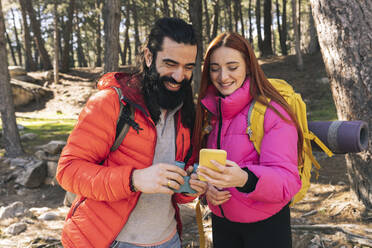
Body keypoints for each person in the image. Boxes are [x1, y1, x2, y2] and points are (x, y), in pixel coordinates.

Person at [56, 17, 207, 248]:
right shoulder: (110, 103)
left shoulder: (186, 114)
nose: (179, 76)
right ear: (148, 57)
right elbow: (69, 171)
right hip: (110, 242)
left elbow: (178, 195)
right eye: (170, 64)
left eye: (188, 67)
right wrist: (134, 179)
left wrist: (190, 187)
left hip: (168, 240)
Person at [193, 32, 303, 247]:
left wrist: (244, 178)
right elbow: (207, 167)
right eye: (215, 69)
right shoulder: (211, 112)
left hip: (266, 227)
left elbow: (287, 181)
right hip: (223, 222)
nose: (223, 76)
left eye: (232, 67)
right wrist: (207, 188)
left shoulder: (272, 112)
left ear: (249, 66)